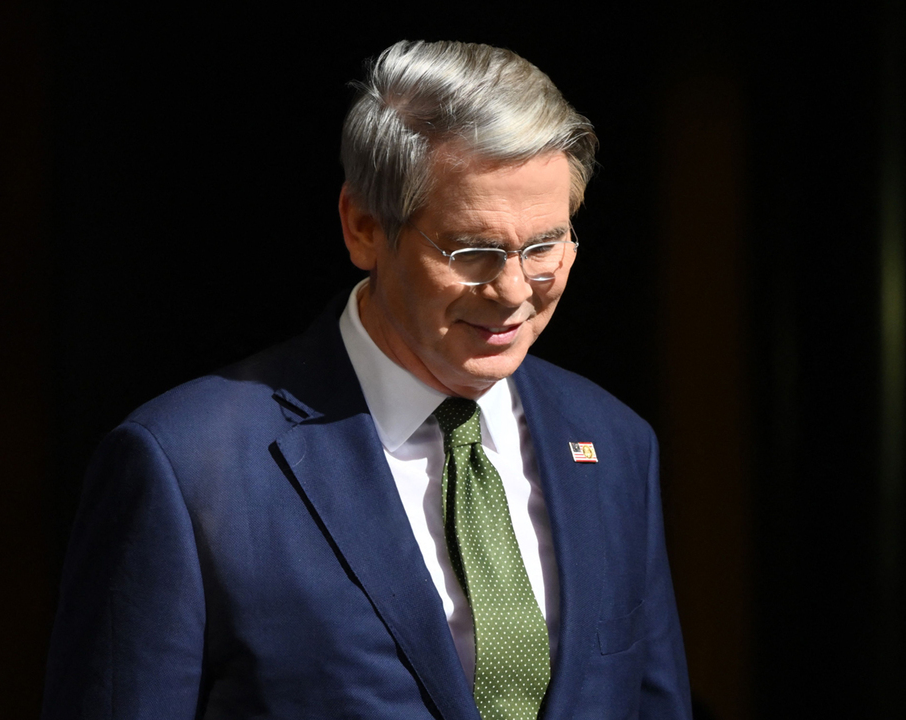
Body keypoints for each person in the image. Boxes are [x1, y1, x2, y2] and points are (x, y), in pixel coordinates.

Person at [41, 40, 691, 720]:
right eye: (472, 250)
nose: (512, 289)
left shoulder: (613, 442)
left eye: (544, 246)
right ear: (363, 228)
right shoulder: (188, 466)